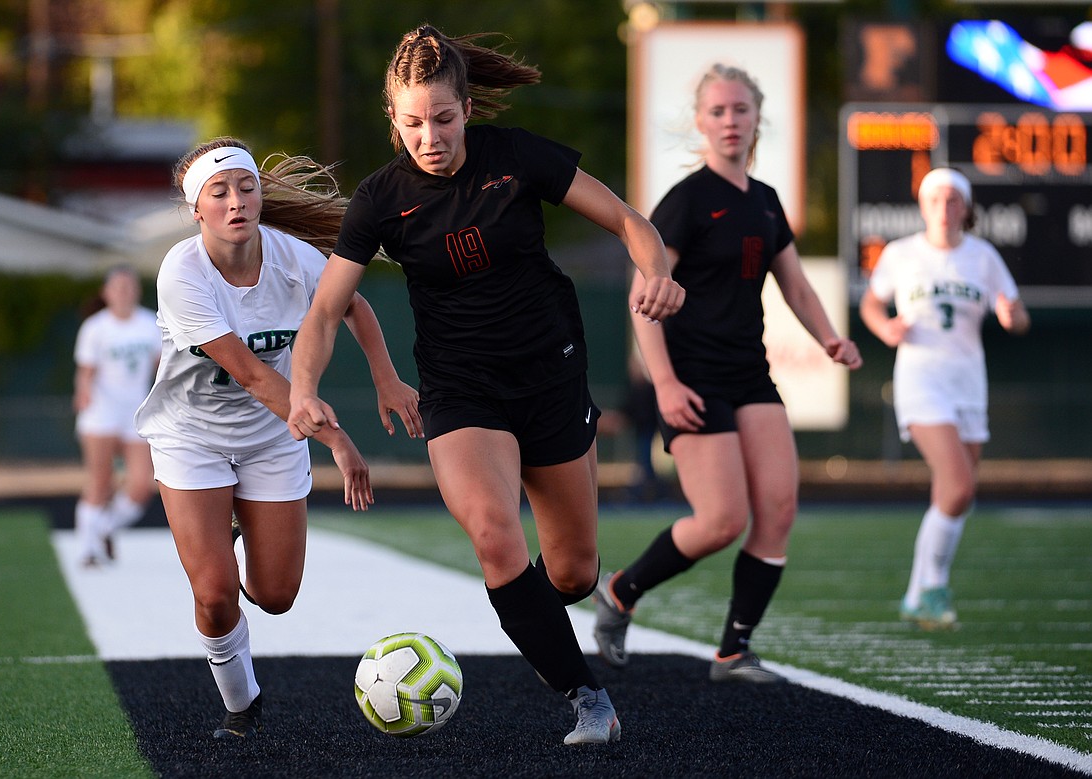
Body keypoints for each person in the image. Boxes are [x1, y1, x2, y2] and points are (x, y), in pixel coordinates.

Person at [287, 25, 684, 745]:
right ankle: (586, 695)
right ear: (393, 122)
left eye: (442, 118)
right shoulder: (381, 199)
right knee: (496, 539)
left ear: (468, 109)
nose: (429, 136)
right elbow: (324, 307)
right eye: (412, 123)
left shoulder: (518, 157)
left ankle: (538, 610)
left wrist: (656, 272)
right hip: (461, 389)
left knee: (570, 575)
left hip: (551, 376)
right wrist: (304, 386)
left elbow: (629, 221)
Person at [134, 137, 420, 740]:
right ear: (197, 209)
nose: (237, 201)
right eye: (220, 192)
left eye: (246, 187)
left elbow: (355, 307)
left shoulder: (294, 257)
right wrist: (338, 440)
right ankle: (242, 706)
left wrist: (386, 377)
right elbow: (252, 374)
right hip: (193, 438)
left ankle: (229, 531)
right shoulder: (181, 272)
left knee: (276, 595)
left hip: (271, 438)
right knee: (214, 593)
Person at [593, 63, 862, 683]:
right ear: (700, 122)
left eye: (740, 109)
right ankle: (621, 591)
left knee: (779, 507)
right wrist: (663, 383)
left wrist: (830, 339)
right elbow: (644, 293)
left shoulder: (765, 201)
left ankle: (734, 651)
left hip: (750, 374)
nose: (730, 121)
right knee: (720, 521)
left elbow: (793, 283)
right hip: (691, 377)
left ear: (756, 117)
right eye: (717, 111)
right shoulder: (688, 200)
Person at [859, 167, 1030, 630]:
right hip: (921, 379)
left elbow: (1017, 316)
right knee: (957, 487)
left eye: (953, 199)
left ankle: (915, 596)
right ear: (922, 205)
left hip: (968, 382)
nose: (944, 207)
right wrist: (884, 328)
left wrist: (1012, 316)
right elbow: (871, 304)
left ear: (966, 208)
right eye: (935, 199)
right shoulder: (901, 254)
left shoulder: (983, 256)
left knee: (956, 495)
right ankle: (933, 588)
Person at [72, 265, 161, 566]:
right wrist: (83, 392)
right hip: (101, 413)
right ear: (107, 293)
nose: (124, 293)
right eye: (118, 287)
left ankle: (104, 529)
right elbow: (85, 372)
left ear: (137, 291)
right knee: (100, 482)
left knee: (141, 484)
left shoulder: (150, 324)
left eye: (129, 287)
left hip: (136, 412)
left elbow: (163, 368)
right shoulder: (95, 328)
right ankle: (88, 549)